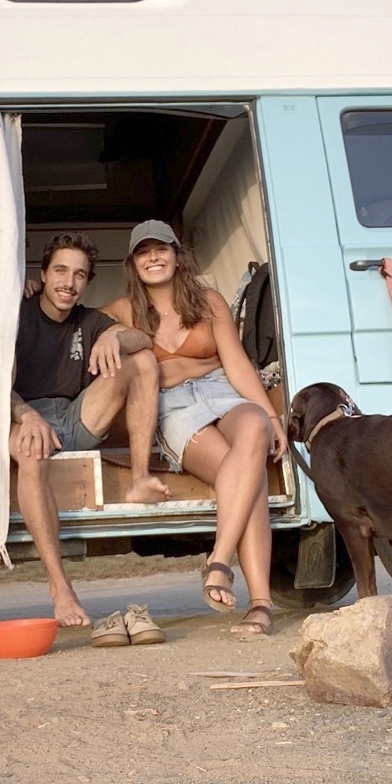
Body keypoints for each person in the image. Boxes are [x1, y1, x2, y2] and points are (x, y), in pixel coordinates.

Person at [102, 220, 288, 637]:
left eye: (161, 249)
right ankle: (261, 604)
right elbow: (72, 319)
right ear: (133, 263)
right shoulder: (120, 310)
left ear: (176, 255)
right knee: (250, 478)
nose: (153, 257)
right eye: (143, 251)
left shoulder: (208, 301)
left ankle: (219, 560)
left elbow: (237, 364)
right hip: (172, 405)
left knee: (255, 425)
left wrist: (272, 416)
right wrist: (37, 292)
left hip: (221, 389)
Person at [11, 233, 170, 627]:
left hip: (72, 419)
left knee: (144, 361)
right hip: (21, 415)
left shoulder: (88, 320)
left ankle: (139, 478)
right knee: (31, 451)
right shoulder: (16, 312)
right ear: (43, 274)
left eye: (79, 275)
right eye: (60, 271)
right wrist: (26, 415)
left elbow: (143, 339)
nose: (69, 282)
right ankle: (61, 587)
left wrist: (113, 335)